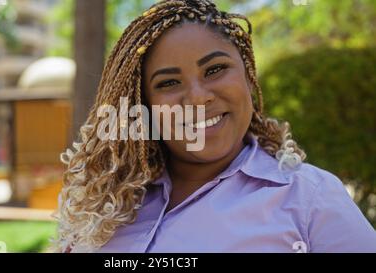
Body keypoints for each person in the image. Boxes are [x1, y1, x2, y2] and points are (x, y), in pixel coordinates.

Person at [55, 0, 376, 253]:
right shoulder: (103, 206)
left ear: (249, 77)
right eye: (169, 82)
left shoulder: (310, 200)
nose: (197, 98)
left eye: (215, 69)